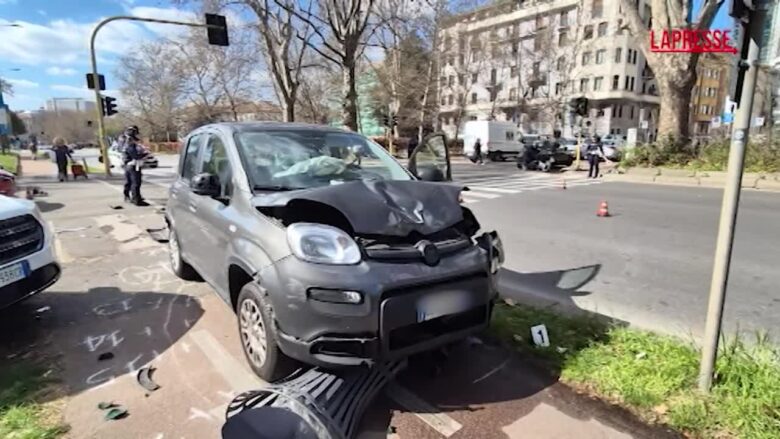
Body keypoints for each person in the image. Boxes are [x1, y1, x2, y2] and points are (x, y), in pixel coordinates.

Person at [121, 126, 149, 206]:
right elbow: (135, 156)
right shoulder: (130, 143)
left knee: (129, 182)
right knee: (136, 183)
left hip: (128, 165)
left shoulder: (125, 142)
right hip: (133, 165)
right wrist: (145, 154)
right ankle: (136, 199)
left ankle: (130, 196)